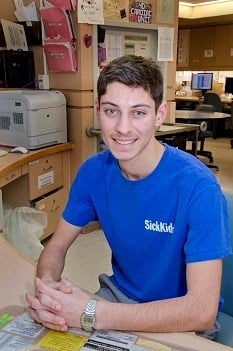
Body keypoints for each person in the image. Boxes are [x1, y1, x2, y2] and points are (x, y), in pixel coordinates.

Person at [26, 55, 232, 338]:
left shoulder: (199, 188)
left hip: (180, 317)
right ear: (99, 111)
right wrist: (47, 287)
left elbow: (201, 311)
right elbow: (57, 245)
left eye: (138, 112)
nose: (123, 129)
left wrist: (90, 313)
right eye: (112, 111)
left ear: (159, 114)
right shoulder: (93, 172)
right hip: (118, 299)